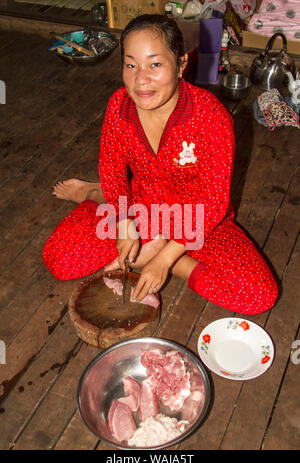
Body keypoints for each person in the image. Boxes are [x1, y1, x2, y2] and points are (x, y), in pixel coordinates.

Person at [44, 14, 278, 315]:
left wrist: (165, 259)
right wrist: (126, 224)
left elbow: (213, 203)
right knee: (60, 259)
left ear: (181, 64)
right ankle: (94, 194)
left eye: (155, 64)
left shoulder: (210, 117)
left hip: (198, 222)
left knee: (258, 295)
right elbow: (114, 170)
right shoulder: (119, 106)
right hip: (140, 209)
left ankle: (156, 249)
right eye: (131, 65)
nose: (141, 80)